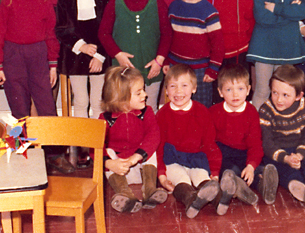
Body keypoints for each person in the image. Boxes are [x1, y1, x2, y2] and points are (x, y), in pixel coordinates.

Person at [98, 0, 171, 112]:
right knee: (122, 109)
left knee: (149, 109)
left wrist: (159, 61)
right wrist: (117, 54)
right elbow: (104, 34)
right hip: (123, 71)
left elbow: (167, 34)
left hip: (151, 70)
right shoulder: (114, 2)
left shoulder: (157, 2)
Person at [0, 0, 59, 119]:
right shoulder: (8, 1)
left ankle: (52, 145)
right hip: (13, 56)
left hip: (38, 55)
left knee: (46, 104)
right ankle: (22, 142)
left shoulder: (45, 1)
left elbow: (51, 35)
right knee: (18, 105)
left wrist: (53, 65)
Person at [259, 65, 305, 207]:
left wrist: (300, 155)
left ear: (299, 95)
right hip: (277, 152)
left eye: (285, 95)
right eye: (274, 92)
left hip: (300, 148)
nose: (279, 99)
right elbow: (267, 142)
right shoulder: (266, 110)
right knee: (284, 171)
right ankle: (300, 189)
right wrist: (286, 158)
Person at [155, 64, 221, 218]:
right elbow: (158, 147)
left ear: (194, 88)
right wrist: (162, 175)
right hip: (172, 160)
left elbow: (210, 144)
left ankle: (219, 199)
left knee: (202, 179)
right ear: (166, 90)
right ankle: (190, 200)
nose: (178, 91)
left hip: (196, 158)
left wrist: (215, 172)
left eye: (184, 86)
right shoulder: (162, 114)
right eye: (173, 86)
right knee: (181, 179)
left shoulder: (202, 112)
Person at [55, 0, 109, 123]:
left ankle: (96, 141)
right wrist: (82, 46)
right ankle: (81, 142)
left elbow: (108, 28)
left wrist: (99, 55)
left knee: (97, 100)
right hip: (75, 56)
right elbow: (62, 28)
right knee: (80, 100)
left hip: (99, 56)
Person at [100, 66, 167, 213]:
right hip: (119, 169)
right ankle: (125, 195)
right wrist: (110, 163)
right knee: (106, 150)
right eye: (139, 92)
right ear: (121, 98)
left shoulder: (147, 112)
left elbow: (154, 135)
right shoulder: (105, 119)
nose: (145, 95)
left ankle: (150, 190)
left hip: (140, 165)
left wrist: (135, 158)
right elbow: (94, 149)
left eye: (143, 89)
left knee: (153, 147)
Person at [166, 0, 225, 108]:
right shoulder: (173, 8)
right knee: (178, 102)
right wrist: (166, 61)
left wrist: (213, 69)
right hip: (177, 66)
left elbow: (218, 44)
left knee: (202, 106)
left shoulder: (209, 12)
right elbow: (167, 37)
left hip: (201, 70)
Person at [209, 64, 266, 214]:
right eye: (229, 90)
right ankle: (238, 185)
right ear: (220, 92)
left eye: (240, 89)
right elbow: (209, 143)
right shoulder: (214, 112)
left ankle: (262, 183)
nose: (235, 94)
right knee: (229, 170)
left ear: (248, 90)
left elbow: (255, 143)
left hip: (244, 151)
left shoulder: (251, 112)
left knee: (257, 168)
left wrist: (251, 166)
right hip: (224, 152)